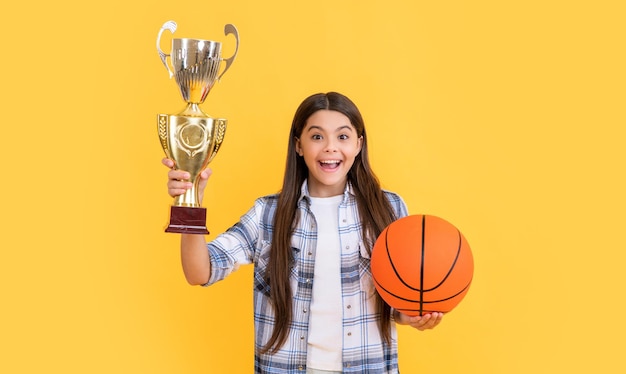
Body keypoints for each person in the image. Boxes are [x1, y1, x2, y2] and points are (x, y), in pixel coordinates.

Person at [163, 92, 443, 373]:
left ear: (359, 144)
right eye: (317, 137)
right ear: (299, 145)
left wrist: (414, 315)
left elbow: (399, 303)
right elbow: (199, 272)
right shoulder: (267, 214)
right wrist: (191, 202)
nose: (331, 148)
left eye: (343, 137)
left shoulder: (389, 208)